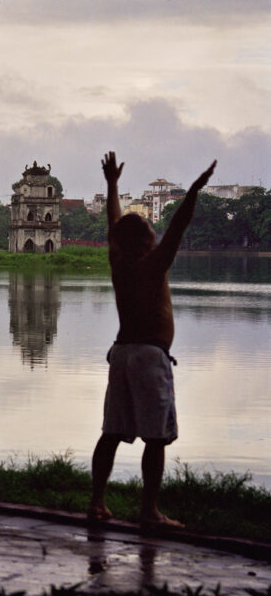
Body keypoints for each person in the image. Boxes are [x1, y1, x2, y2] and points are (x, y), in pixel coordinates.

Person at [89, 152, 216, 530]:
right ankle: (149, 511)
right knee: (156, 438)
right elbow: (178, 226)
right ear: (147, 241)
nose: (155, 232)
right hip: (148, 356)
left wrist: (112, 185)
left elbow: (115, 224)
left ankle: (97, 503)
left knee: (111, 432)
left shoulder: (119, 264)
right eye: (149, 229)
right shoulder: (153, 264)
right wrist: (193, 192)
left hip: (121, 354)